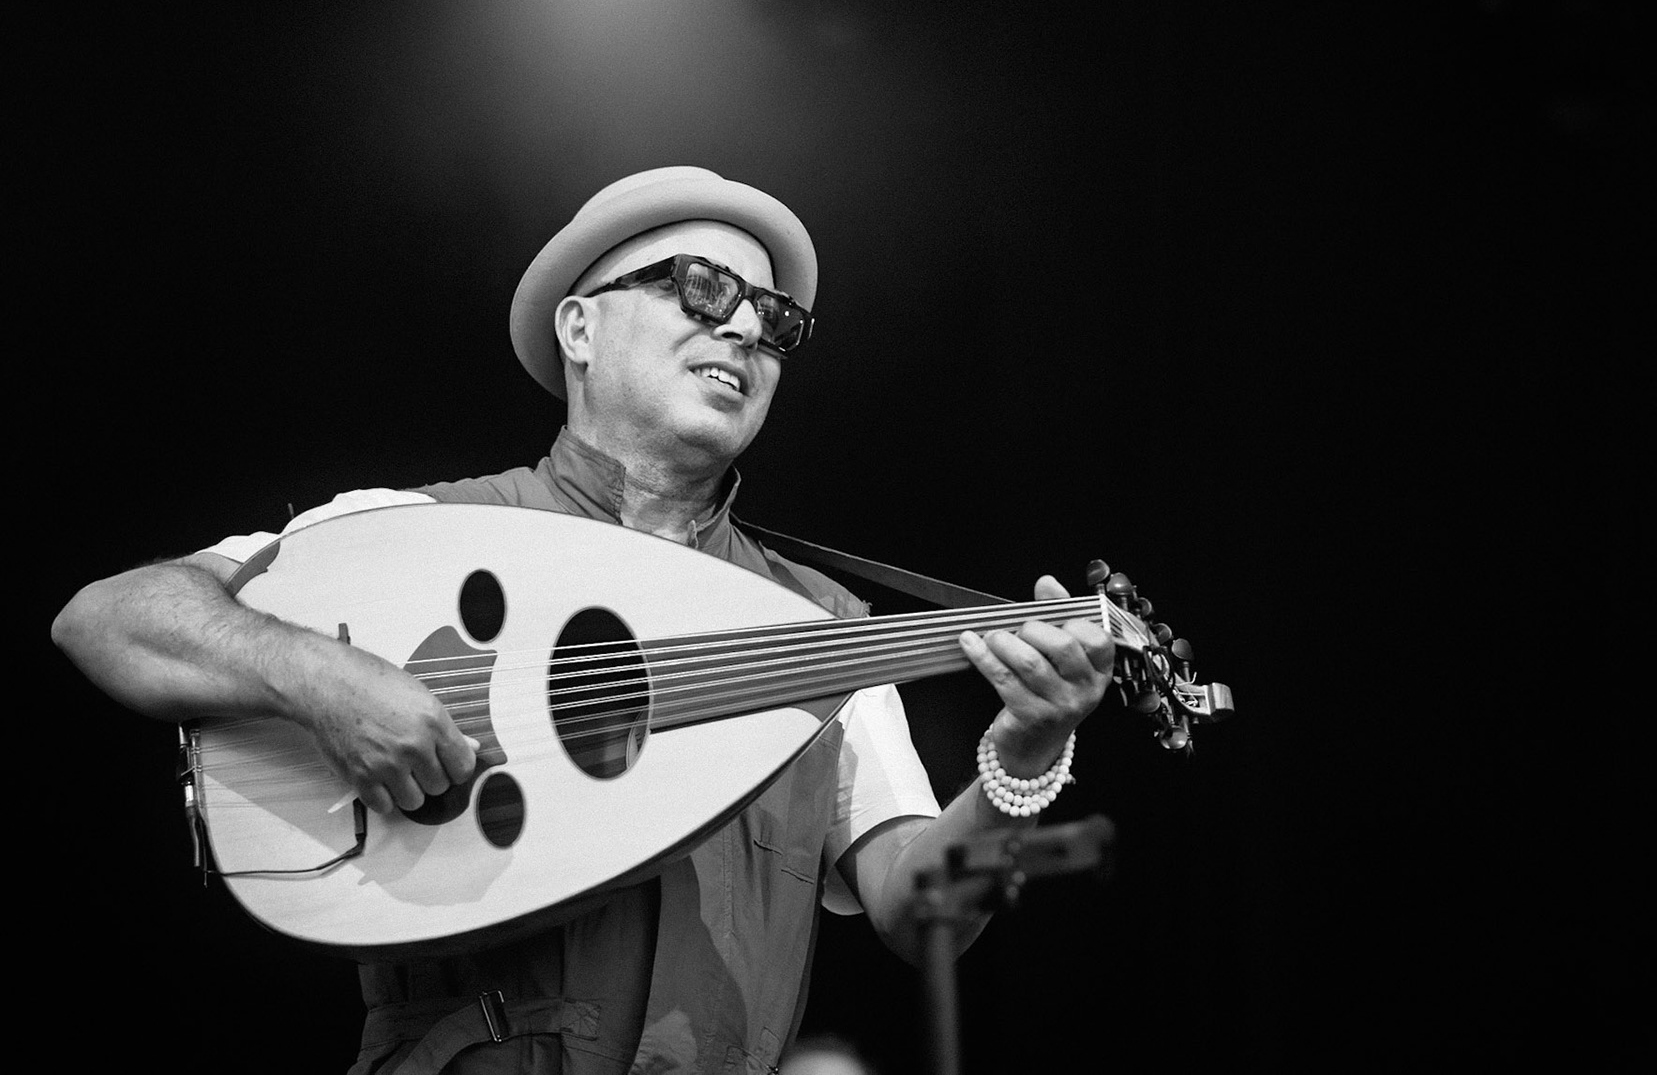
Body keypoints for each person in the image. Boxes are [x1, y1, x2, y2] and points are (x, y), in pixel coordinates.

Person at [50, 166, 1115, 1074]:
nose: (745, 325)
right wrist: (318, 677)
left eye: (776, 321)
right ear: (581, 324)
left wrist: (1027, 750)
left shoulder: (818, 628)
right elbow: (110, 618)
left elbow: (920, 901)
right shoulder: (408, 534)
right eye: (703, 287)